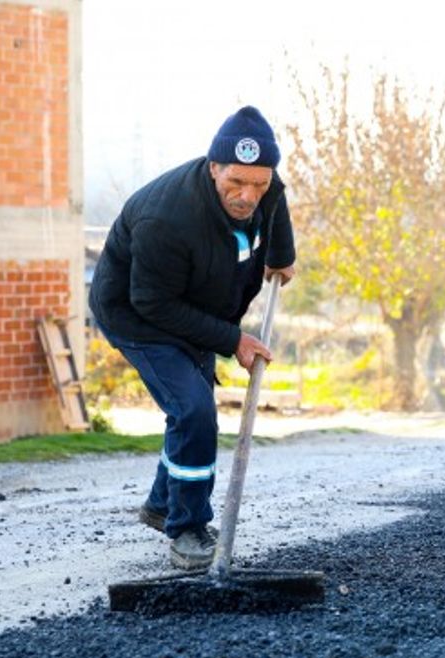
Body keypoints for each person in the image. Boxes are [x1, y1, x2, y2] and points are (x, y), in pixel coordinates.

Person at [88, 106, 296, 570]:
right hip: (138, 314)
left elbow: (276, 200)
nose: (248, 196)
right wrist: (231, 339)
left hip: (195, 306)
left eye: (258, 184)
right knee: (195, 410)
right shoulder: (166, 219)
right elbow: (153, 304)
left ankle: (163, 505)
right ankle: (186, 528)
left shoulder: (265, 186)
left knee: (190, 410)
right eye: (236, 183)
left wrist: (281, 255)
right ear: (213, 167)